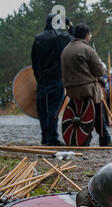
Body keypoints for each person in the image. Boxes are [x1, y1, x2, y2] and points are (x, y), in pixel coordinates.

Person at [61, 23, 112, 146]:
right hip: (87, 89)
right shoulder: (87, 49)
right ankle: (104, 139)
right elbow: (99, 71)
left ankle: (84, 139)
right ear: (86, 35)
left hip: (71, 90)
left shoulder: (66, 49)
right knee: (98, 112)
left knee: (81, 113)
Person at [31, 13, 73, 146]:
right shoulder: (63, 37)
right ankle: (52, 137)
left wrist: (38, 77)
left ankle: (45, 136)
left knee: (42, 109)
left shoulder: (38, 38)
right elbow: (77, 38)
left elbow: (34, 60)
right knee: (54, 108)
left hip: (42, 79)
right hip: (57, 78)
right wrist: (69, 23)